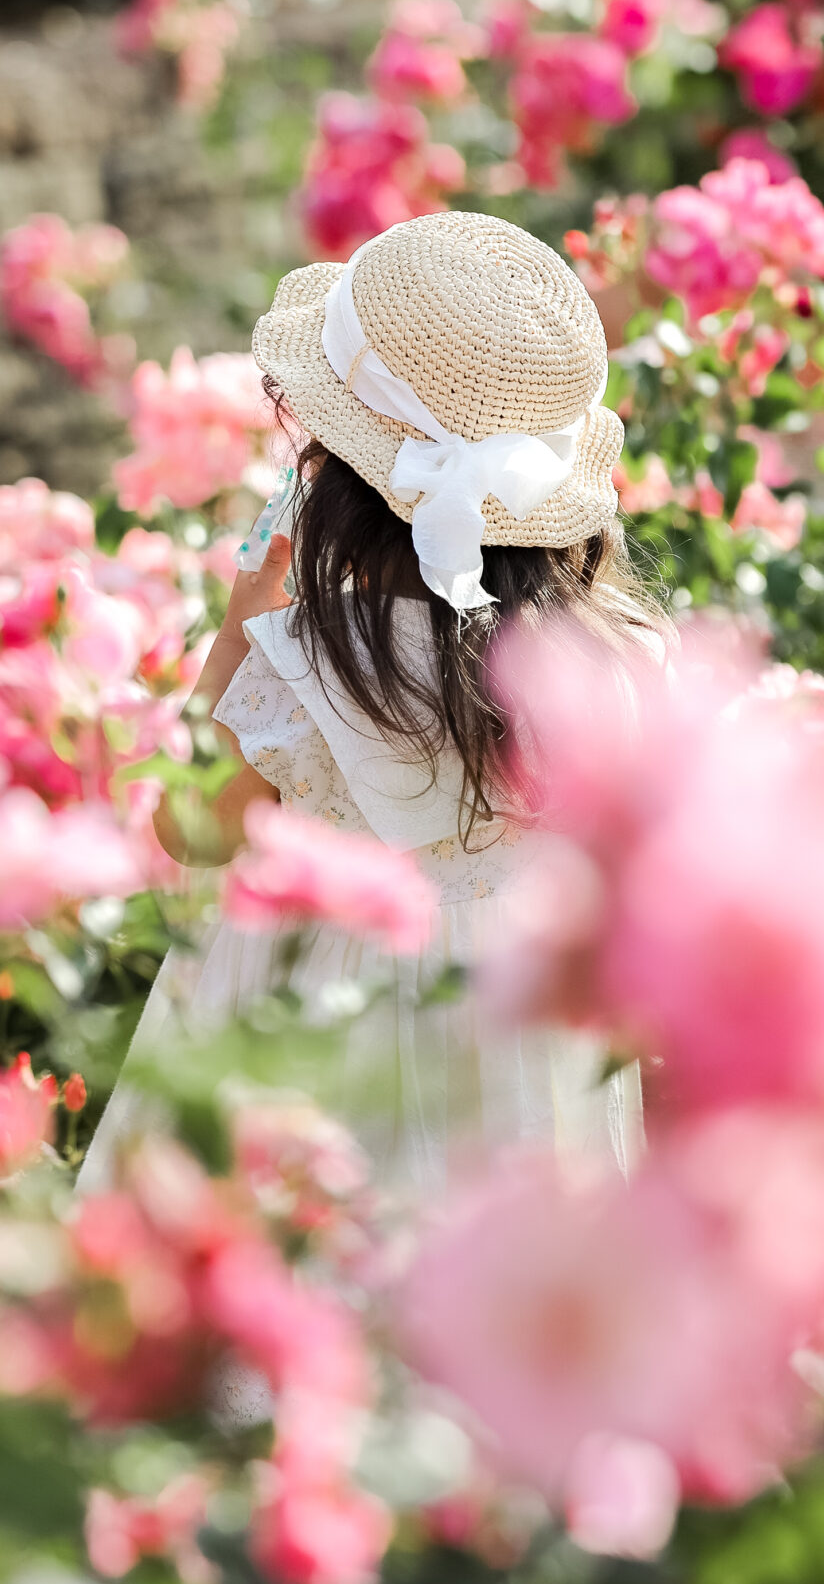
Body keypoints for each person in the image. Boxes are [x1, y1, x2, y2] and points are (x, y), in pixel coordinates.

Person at [81, 210, 661, 1195]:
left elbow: (190, 828)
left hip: (325, 1031)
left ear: (334, 480)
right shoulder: (613, 656)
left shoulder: (311, 660)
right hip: (524, 1030)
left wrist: (239, 624)